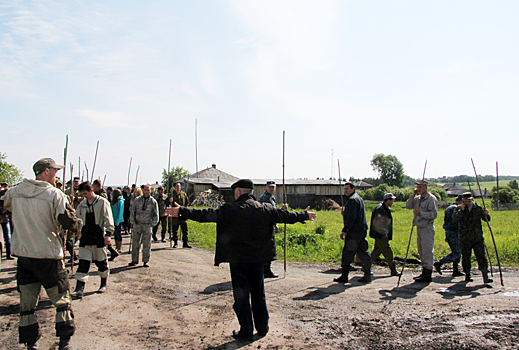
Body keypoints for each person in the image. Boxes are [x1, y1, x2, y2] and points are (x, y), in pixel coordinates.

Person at [166, 179, 316, 340]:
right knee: (259, 294)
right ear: (250, 192)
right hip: (258, 260)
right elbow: (285, 216)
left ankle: (246, 331)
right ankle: (263, 327)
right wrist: (304, 215)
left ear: (238, 192)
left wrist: (182, 211)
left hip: (238, 261)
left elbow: (206, 214)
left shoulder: (230, 209)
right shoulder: (265, 208)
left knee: (242, 297)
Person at [1, 157, 81, 350]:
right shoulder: (55, 195)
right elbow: (69, 222)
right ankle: (64, 341)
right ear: (46, 171)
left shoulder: (15, 192)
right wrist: (77, 224)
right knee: (61, 301)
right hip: (48, 256)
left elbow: (4, 204)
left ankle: (31, 343)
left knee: (27, 304)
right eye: (55, 171)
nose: (57, 175)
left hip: (25, 256)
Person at [71, 181, 114, 298]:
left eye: (85, 193)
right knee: (83, 263)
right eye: (82, 194)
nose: (84, 196)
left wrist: (108, 235)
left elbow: (108, 219)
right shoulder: (82, 205)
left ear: (91, 190)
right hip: (85, 237)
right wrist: (75, 230)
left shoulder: (102, 202)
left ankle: (103, 283)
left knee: (101, 262)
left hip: (98, 236)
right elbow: (77, 219)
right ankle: (79, 288)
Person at [334, 182, 372, 284]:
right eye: (345, 189)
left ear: (353, 189)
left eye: (347, 189)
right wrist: (345, 213)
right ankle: (367, 275)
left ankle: (344, 275)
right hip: (361, 229)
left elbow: (351, 218)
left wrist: (345, 230)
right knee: (363, 252)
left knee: (348, 252)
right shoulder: (358, 198)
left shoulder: (352, 200)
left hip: (354, 231)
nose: (345, 191)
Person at [453, 192, 493, 283]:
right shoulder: (459, 209)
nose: (467, 203)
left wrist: (486, 214)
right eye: (465, 201)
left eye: (469, 201)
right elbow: (455, 219)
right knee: (466, 257)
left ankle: (485, 276)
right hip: (465, 238)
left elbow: (486, 220)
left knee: (481, 257)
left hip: (477, 237)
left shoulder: (478, 209)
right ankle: (467, 275)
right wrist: (462, 211)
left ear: (473, 199)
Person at [406, 180, 438, 283]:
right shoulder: (417, 199)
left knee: (427, 250)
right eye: (417, 187)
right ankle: (424, 272)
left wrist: (421, 213)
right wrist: (413, 195)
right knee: (421, 250)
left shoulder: (431, 199)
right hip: (419, 227)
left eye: (420, 187)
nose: (418, 189)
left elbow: (434, 214)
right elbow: (408, 206)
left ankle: (428, 274)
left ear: (425, 187)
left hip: (427, 228)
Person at [434, 195, 464, 277]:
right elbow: (456, 221)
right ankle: (440, 262)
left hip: (449, 232)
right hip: (454, 232)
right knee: (457, 252)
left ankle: (455, 270)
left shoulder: (449, 208)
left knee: (457, 250)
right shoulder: (455, 208)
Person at [369, 193, 399, 276]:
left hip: (381, 234)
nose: (393, 202)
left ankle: (366, 267)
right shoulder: (380, 209)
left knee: (376, 252)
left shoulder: (384, 208)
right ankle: (393, 270)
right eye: (392, 200)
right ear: (388, 200)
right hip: (380, 235)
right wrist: (383, 233)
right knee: (388, 252)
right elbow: (377, 224)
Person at [129, 184, 159, 267]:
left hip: (147, 225)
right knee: (135, 243)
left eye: (148, 190)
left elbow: (156, 215)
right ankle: (134, 260)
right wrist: (133, 222)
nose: (146, 191)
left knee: (147, 244)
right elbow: (132, 212)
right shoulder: (137, 200)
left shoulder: (153, 202)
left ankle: (145, 261)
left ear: (151, 191)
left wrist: (151, 224)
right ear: (143, 190)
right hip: (137, 224)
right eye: (145, 190)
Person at [258, 181, 282, 278]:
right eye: (270, 187)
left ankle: (266, 269)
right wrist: (281, 211)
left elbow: (273, 213)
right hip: (265, 226)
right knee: (267, 248)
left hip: (270, 225)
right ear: (266, 187)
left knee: (269, 248)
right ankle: (265, 270)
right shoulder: (265, 198)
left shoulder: (271, 197)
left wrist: (275, 224)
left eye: (273, 187)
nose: (271, 189)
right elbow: (269, 213)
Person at [170, 182, 191, 248]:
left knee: (185, 230)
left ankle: (185, 243)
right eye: (177, 186)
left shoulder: (183, 194)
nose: (178, 188)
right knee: (175, 230)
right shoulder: (171, 195)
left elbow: (187, 202)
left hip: (183, 214)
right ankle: (175, 243)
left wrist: (185, 209)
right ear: (174, 187)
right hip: (175, 214)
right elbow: (167, 203)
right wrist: (169, 201)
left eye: (179, 186)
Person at [110, 188, 125, 258]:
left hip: (118, 220)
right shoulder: (114, 201)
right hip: (113, 220)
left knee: (118, 233)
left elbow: (120, 212)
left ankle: (119, 248)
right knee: (115, 234)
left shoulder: (120, 201)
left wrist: (118, 221)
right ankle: (116, 246)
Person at [0, 182, 13, 260]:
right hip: (5, 217)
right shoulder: (8, 193)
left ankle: (8, 253)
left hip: (5, 217)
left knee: (7, 236)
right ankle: (8, 254)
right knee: (7, 236)